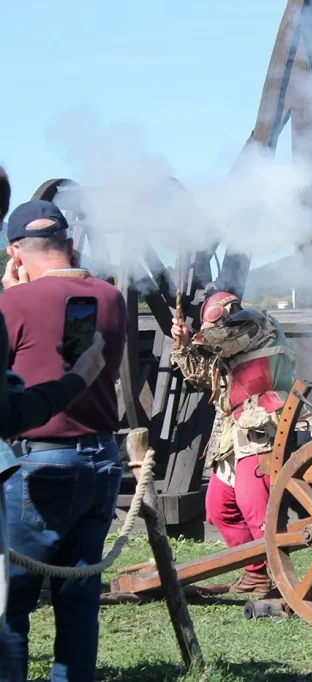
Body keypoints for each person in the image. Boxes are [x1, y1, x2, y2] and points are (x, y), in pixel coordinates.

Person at [0, 199, 128, 682]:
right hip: (99, 461)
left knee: (10, 607)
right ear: (69, 243)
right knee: (79, 605)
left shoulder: (10, 303)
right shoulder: (111, 298)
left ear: (16, 252)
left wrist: (8, 295)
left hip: (35, 464)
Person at [170, 289, 299, 595]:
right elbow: (198, 375)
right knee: (219, 507)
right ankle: (255, 574)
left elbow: (220, 339)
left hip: (264, 426)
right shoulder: (225, 345)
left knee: (255, 507)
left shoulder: (258, 324)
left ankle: (283, 582)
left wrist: (194, 336)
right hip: (233, 432)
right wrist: (181, 343)